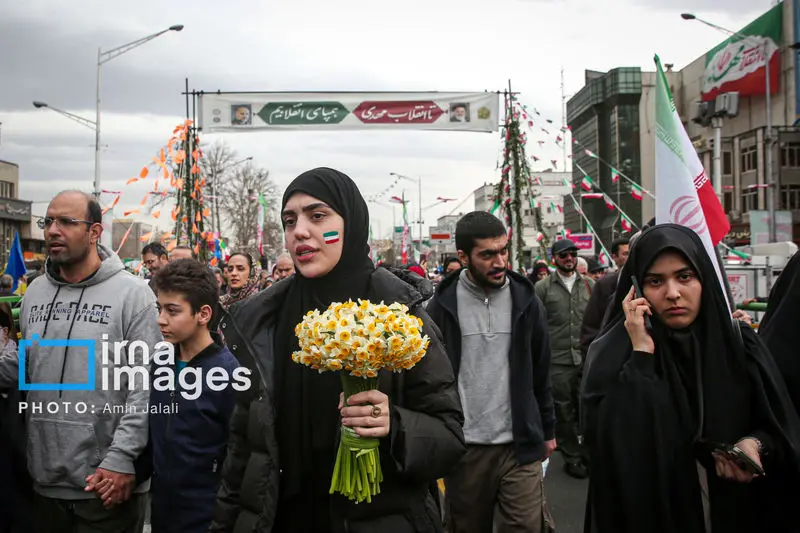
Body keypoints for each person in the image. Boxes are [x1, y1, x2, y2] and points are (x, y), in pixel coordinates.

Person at [209, 167, 465, 532]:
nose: (300, 230)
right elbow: (243, 452)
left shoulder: (400, 316)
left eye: (317, 216)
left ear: (352, 224)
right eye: (289, 219)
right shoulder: (262, 322)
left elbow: (449, 439)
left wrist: (394, 425)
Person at [581, 224, 800, 533]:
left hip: (734, 511)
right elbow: (609, 444)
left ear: (704, 279)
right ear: (636, 291)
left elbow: (781, 427)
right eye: (655, 281)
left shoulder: (739, 347)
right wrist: (642, 354)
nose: (673, 294)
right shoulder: (614, 355)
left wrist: (754, 445)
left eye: (685, 277)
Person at [0, 190, 161, 532]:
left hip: (107, 486)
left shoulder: (133, 295)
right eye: (48, 221)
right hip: (44, 484)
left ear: (94, 232)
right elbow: (27, 371)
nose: (53, 230)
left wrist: (122, 459)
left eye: (67, 222)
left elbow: (145, 387)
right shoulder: (35, 294)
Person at [426, 211, 556, 533]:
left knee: (527, 526)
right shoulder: (440, 308)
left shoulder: (526, 300)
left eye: (503, 250)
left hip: (519, 446)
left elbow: (541, 368)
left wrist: (549, 429)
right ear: (463, 256)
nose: (500, 262)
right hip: (465, 450)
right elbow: (428, 379)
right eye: (487, 254)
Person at [149, 259, 240, 533]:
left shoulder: (228, 374)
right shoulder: (160, 363)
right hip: (163, 510)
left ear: (203, 314)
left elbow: (237, 456)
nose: (160, 319)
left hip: (206, 515)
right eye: (159, 308)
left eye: (172, 310)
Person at [535, 239, 594, 479]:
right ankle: (572, 456)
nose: (569, 258)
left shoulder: (590, 285)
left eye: (572, 254)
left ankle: (590, 453)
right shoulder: (543, 288)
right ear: (554, 259)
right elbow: (536, 325)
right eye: (563, 255)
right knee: (564, 410)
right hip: (557, 361)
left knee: (588, 408)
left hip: (587, 358)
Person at [580, 236, 633, 358]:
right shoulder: (604, 286)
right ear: (614, 257)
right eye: (625, 253)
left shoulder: (647, 283)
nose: (630, 257)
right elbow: (591, 328)